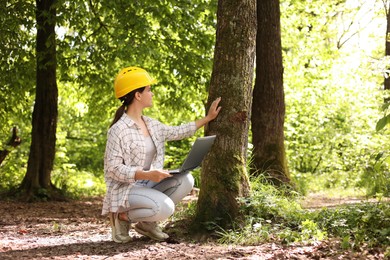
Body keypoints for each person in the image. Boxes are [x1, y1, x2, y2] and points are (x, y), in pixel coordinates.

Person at [102, 66, 222, 243]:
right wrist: (146, 174)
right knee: (165, 208)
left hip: (146, 183)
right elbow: (113, 169)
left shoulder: (151, 124)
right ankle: (121, 216)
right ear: (138, 95)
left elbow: (177, 131)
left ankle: (147, 225)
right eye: (149, 90)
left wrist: (207, 119)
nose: (152, 93)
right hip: (126, 189)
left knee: (186, 179)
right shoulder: (118, 130)